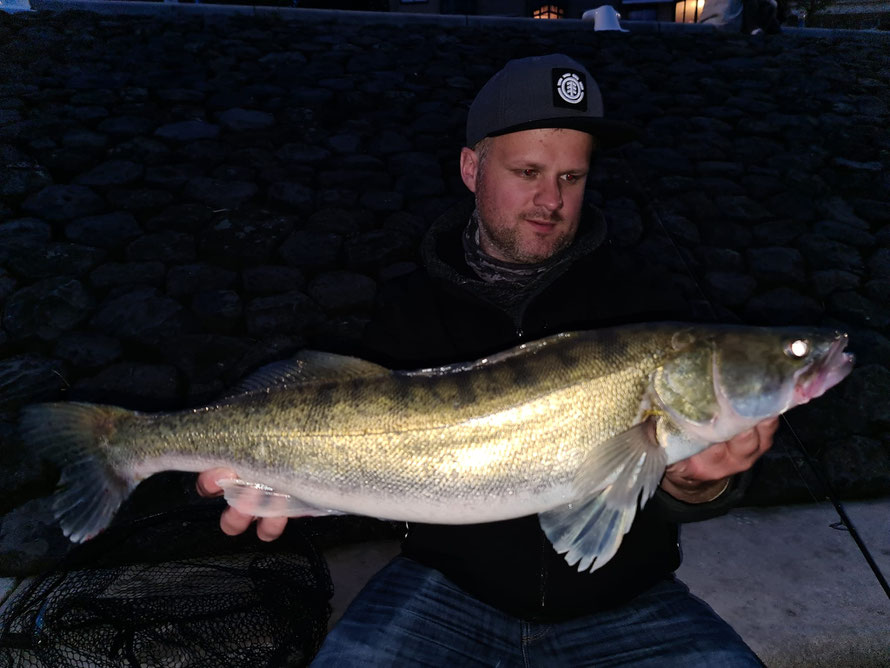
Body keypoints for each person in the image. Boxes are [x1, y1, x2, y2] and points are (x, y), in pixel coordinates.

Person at [198, 54, 778, 665]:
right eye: (527, 170)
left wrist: (696, 484)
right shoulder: (407, 308)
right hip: (446, 591)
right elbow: (361, 454)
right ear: (472, 168)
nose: (549, 199)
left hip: (628, 601)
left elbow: (669, 483)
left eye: (571, 177)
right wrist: (284, 484)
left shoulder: (647, 305)